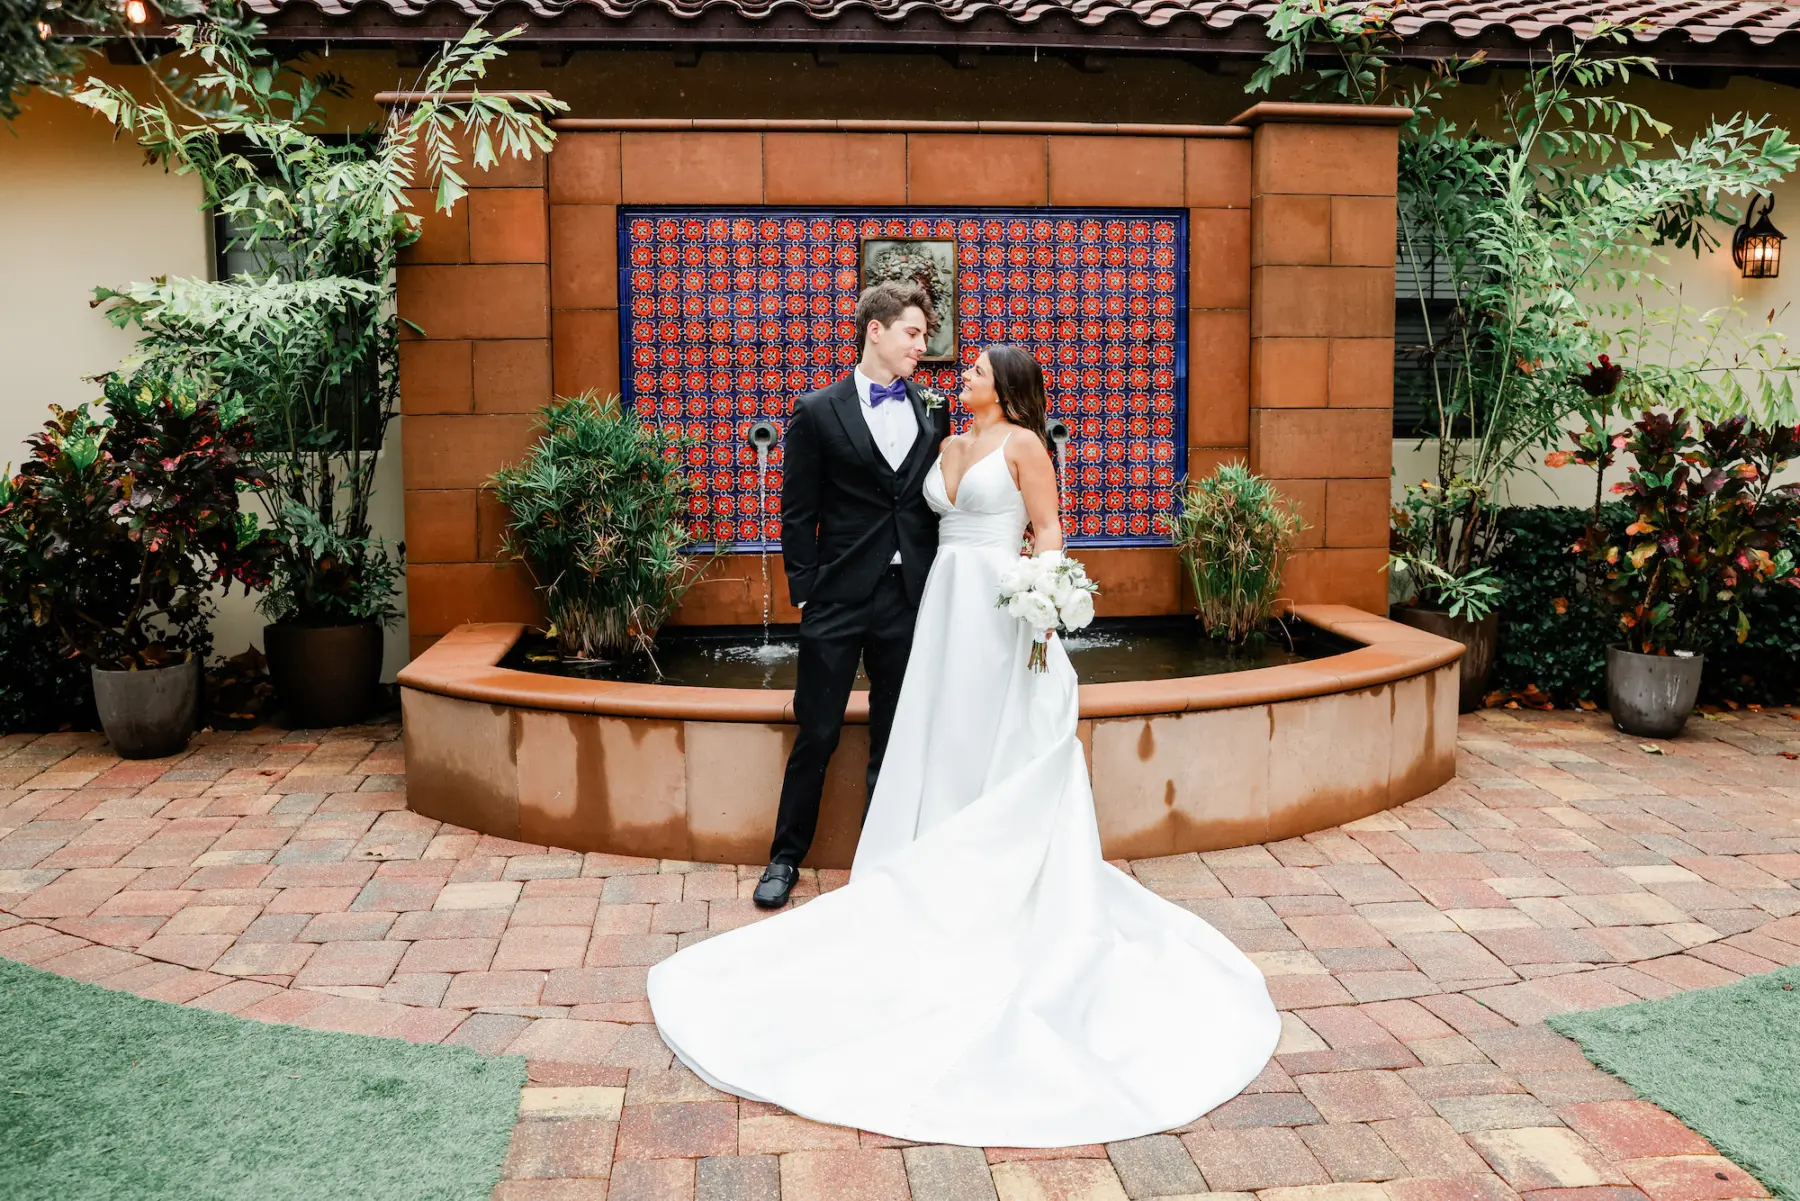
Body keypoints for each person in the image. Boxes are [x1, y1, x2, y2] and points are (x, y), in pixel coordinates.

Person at [647, 343, 1281, 1147]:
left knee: (994, 741)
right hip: (938, 606)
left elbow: (1048, 528)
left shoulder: (1024, 445)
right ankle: (923, 863)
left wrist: (1042, 601)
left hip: (999, 613)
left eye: (976, 370)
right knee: (934, 736)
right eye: (963, 370)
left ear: (1006, 386)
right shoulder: (942, 442)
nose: (960, 377)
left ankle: (996, 882)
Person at [752, 280, 952, 910]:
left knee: (895, 734)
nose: (922, 346)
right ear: (875, 329)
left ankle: (882, 863)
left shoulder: (932, 412)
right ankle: (785, 857)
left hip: (905, 595)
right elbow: (796, 512)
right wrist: (808, 593)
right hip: (837, 598)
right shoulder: (817, 411)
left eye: (924, 336)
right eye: (913, 333)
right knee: (817, 730)